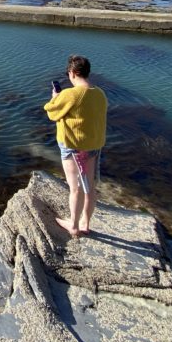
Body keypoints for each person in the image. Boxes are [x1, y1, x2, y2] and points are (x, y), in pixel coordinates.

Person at [43, 55, 108, 237]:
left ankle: (73, 225)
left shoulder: (70, 94)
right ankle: (85, 224)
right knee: (89, 186)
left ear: (72, 72)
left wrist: (55, 97)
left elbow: (51, 112)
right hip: (93, 144)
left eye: (68, 72)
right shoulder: (99, 93)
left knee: (75, 187)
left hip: (73, 145)